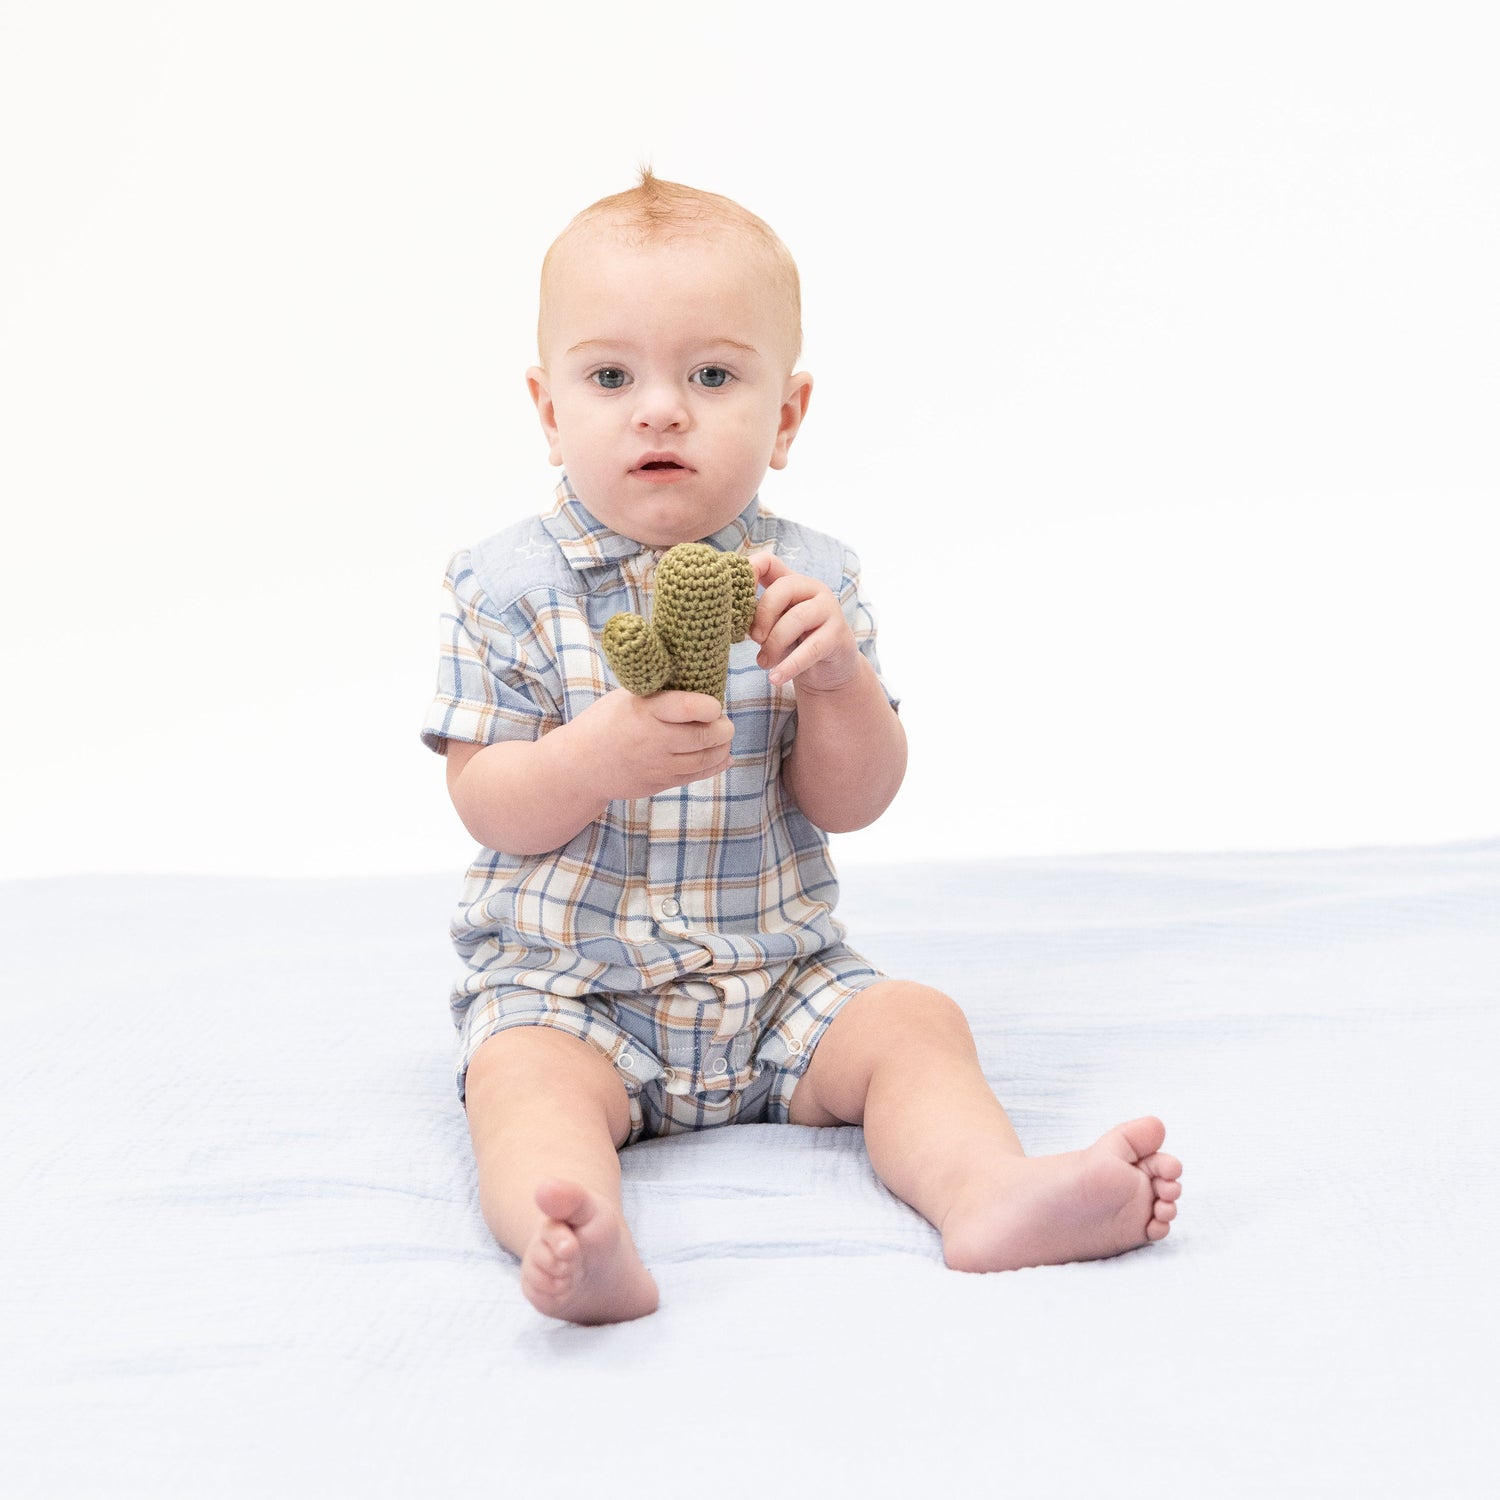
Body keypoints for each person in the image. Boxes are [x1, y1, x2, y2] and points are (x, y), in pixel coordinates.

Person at [422, 171, 1182, 1325]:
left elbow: (852, 800)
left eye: (712, 376)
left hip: (778, 979)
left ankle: (987, 1193)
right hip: (575, 987)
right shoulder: (504, 586)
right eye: (611, 376)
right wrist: (595, 758)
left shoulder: (812, 580)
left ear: (786, 417)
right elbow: (488, 801)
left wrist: (838, 683)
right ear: (548, 408)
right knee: (522, 1083)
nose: (661, 410)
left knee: (915, 1022)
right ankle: (575, 1234)